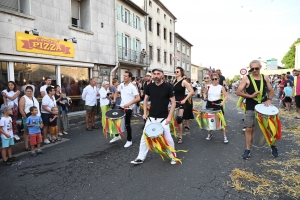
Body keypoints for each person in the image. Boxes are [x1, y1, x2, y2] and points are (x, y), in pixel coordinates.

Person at [131, 68, 177, 165]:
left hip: (164, 119)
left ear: (162, 75)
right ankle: (140, 158)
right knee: (144, 138)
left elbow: (173, 103)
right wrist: (144, 113)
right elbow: (145, 100)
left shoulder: (168, 87)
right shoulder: (150, 86)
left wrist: (169, 117)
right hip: (151, 118)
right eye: (154, 74)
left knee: (168, 139)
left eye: (158, 74)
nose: (156, 76)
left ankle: (173, 156)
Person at [236, 60, 276, 159]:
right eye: (252, 68)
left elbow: (271, 91)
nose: (254, 70)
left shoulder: (265, 78)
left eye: (256, 68)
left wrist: (269, 100)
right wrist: (250, 95)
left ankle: (273, 146)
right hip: (250, 106)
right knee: (249, 128)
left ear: (260, 67)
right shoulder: (246, 78)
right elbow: (238, 92)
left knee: (271, 127)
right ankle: (247, 149)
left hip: (264, 106)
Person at [111, 71, 140, 147]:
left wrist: (129, 104)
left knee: (127, 124)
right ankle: (117, 136)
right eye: (124, 76)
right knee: (117, 122)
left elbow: (138, 98)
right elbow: (117, 92)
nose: (124, 77)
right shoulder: (121, 85)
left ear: (130, 78)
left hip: (128, 108)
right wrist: (114, 99)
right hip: (121, 106)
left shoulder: (132, 87)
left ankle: (129, 140)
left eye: (126, 76)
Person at [203, 73, 229, 143]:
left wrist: (223, 103)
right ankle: (210, 134)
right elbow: (204, 93)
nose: (214, 80)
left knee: (221, 120)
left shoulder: (221, 87)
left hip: (217, 104)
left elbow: (226, 96)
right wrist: (205, 97)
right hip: (209, 104)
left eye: (216, 79)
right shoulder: (208, 86)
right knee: (209, 119)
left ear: (218, 79)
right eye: (213, 79)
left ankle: (224, 136)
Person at [173, 67, 194, 144]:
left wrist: (185, 100)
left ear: (181, 73)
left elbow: (191, 91)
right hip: (174, 102)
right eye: (175, 71)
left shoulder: (184, 81)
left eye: (177, 71)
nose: (176, 73)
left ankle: (180, 136)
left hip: (181, 102)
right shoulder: (174, 81)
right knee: (174, 119)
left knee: (179, 119)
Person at [19, 86, 41, 151]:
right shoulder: (23, 98)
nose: (29, 92)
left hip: (36, 117)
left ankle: (35, 144)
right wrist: (26, 118)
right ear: (25, 92)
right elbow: (21, 110)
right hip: (27, 117)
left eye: (30, 91)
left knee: (35, 130)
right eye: (28, 91)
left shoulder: (34, 98)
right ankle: (26, 146)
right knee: (26, 131)